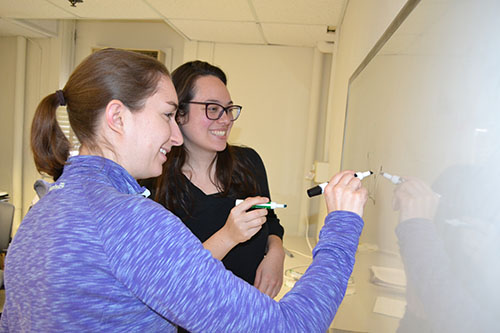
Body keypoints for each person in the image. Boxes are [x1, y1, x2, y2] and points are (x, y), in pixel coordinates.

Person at [1, 48, 368, 332]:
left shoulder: (44, 208)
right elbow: (290, 326)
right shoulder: (129, 220)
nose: (175, 136)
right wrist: (342, 225)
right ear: (117, 118)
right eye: (165, 115)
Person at [146, 60, 285, 300]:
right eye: (212, 109)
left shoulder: (248, 163)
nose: (225, 120)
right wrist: (228, 235)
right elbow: (167, 278)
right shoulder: (154, 182)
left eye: (229, 109)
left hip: (248, 311)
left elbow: (270, 220)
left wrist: (276, 253)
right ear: (179, 113)